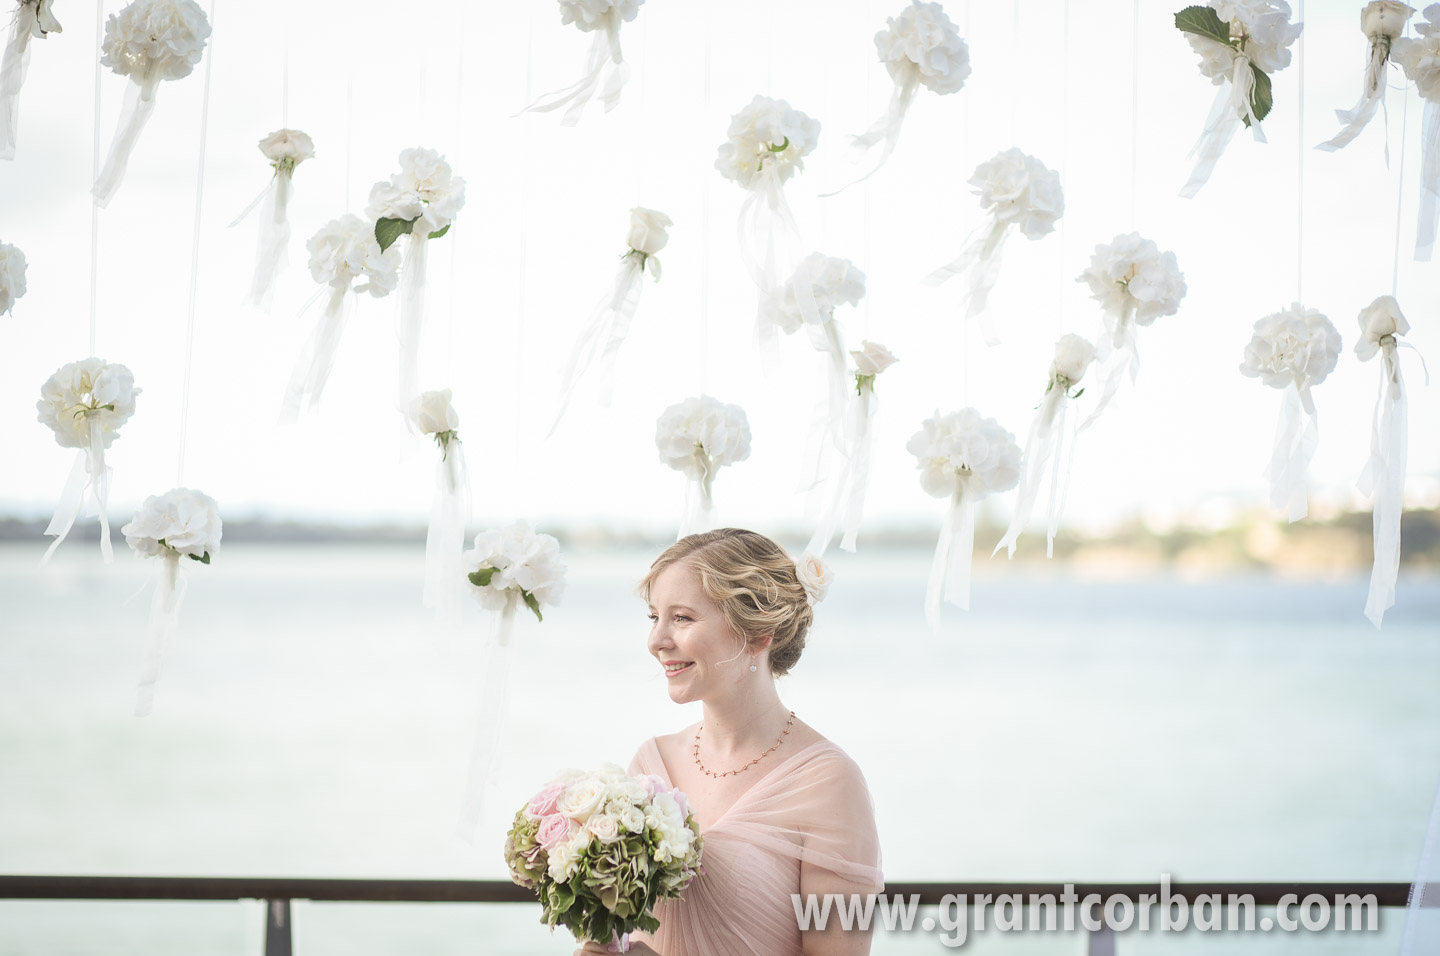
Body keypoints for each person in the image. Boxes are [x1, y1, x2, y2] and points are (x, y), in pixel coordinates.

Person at [577, 528, 883, 956]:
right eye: (654, 617)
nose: (656, 641)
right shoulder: (650, 765)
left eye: (681, 617)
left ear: (759, 634)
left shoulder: (830, 783)